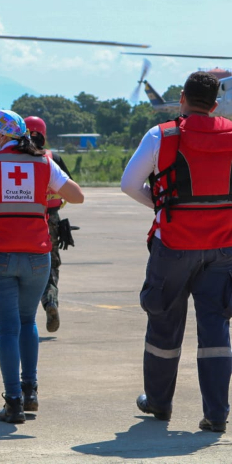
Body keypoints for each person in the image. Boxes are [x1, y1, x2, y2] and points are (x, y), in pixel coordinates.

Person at [121, 71, 232, 433]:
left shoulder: (162, 134)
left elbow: (128, 184)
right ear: (215, 103)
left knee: (164, 324)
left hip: (172, 246)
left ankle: (158, 403)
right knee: (216, 327)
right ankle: (216, 414)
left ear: (182, 98)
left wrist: (161, 204)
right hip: (222, 248)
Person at [0, 110, 83, 424]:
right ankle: (30, 392)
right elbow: (77, 196)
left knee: (6, 330)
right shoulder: (43, 161)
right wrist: (41, 193)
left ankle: (13, 402)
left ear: (3, 135)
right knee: (28, 320)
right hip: (37, 255)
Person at [25, 116, 72, 333]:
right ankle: (50, 300)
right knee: (51, 266)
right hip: (50, 219)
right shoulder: (52, 158)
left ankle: (23, 313)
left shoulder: (14, 158)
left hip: (23, 221)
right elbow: (71, 190)